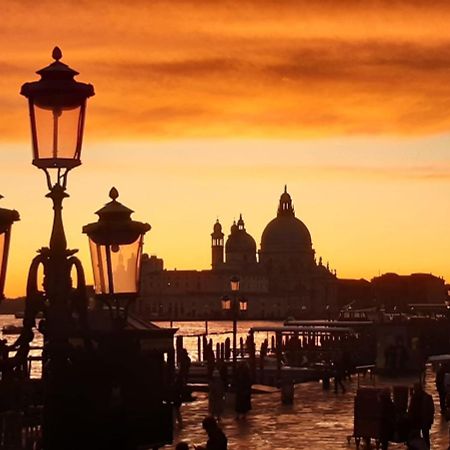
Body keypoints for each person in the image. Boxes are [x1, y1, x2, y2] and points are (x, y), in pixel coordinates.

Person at [407, 383, 435, 449]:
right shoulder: (426, 397)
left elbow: (410, 410)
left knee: (421, 438)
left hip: (420, 421)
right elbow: (431, 410)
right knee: (425, 437)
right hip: (421, 421)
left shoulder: (415, 397)